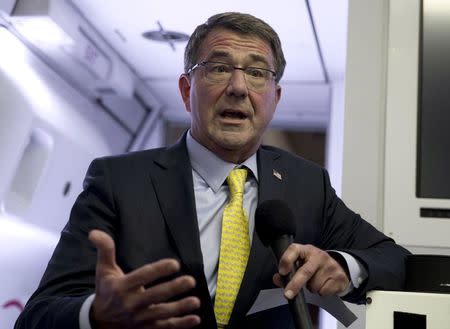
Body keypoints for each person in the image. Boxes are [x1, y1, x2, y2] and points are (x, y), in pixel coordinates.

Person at [15, 12, 410, 329]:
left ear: (275, 98)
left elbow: (394, 260)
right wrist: (97, 315)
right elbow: (37, 316)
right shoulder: (118, 182)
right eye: (219, 68)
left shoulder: (308, 184)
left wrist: (342, 266)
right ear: (187, 90)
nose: (238, 87)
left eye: (258, 72)